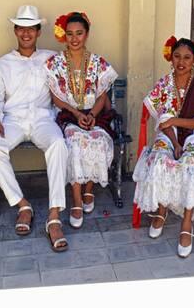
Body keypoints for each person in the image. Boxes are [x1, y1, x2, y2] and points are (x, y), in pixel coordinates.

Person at [0, 5, 69, 252]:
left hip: (43, 119)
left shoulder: (51, 59)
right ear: (15, 31)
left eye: (31, 28)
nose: (26, 33)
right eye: (21, 28)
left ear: (39, 32)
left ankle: (54, 217)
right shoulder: (3, 63)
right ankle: (22, 205)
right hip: (13, 120)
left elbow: (70, 81)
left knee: (58, 144)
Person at [132, 37, 194, 257]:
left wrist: (175, 121)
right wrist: (175, 144)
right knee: (160, 160)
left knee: (190, 165)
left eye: (187, 57)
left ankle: (186, 223)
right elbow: (163, 122)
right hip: (170, 136)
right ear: (170, 58)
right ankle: (162, 211)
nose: (181, 62)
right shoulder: (164, 84)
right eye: (177, 56)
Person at [45, 12, 118, 229]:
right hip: (69, 114)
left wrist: (92, 115)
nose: (74, 38)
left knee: (97, 141)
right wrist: (77, 114)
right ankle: (76, 198)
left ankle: (89, 189)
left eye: (79, 33)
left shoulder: (98, 62)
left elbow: (102, 95)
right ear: (63, 35)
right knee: (75, 142)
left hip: (95, 113)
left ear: (87, 34)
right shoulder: (55, 63)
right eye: (70, 34)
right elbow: (55, 97)